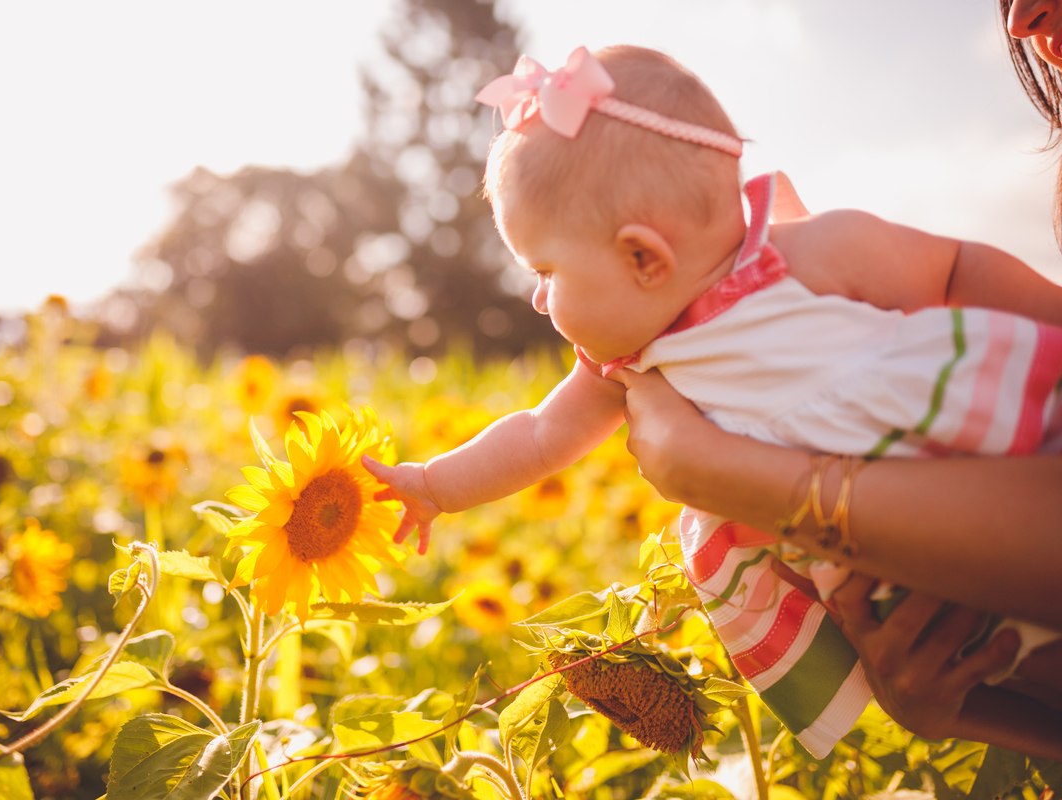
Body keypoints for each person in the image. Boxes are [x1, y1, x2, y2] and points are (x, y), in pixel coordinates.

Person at [363, 44, 1062, 758]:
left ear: (644, 259)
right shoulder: (625, 364)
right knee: (1007, 661)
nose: (538, 299)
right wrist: (433, 485)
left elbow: (955, 267)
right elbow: (539, 434)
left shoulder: (810, 256)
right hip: (894, 570)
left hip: (992, 451)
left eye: (545, 270)